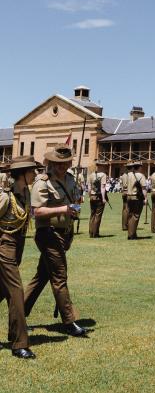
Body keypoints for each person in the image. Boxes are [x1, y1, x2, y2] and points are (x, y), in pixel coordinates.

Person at [23, 144, 86, 337]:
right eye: (57, 163)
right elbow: (36, 211)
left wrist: (76, 204)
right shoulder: (43, 182)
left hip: (64, 234)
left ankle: (18, 315)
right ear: (51, 162)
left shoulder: (70, 179)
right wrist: (64, 209)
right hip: (48, 234)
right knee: (59, 276)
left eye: (65, 163)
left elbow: (75, 200)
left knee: (42, 276)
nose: (61, 166)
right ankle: (69, 321)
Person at [0, 157, 38, 358]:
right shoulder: (7, 197)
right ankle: (19, 343)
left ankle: (14, 333)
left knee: (2, 292)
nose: (35, 174)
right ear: (22, 173)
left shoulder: (26, 193)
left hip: (18, 245)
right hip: (4, 246)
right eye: (32, 171)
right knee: (16, 292)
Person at [87, 160, 108, 238]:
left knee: (92, 215)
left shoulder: (91, 175)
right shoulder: (103, 175)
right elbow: (103, 188)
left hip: (92, 196)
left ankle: (91, 232)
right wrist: (103, 198)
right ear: (101, 166)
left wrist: (89, 196)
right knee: (98, 215)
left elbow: (88, 188)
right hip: (99, 197)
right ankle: (95, 233)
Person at [126, 161, 147, 240]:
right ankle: (131, 235)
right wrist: (145, 198)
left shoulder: (128, 175)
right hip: (136, 198)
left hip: (129, 197)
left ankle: (131, 233)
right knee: (135, 216)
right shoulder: (141, 176)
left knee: (130, 216)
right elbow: (144, 188)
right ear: (139, 167)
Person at [120, 166, 130, 231]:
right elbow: (126, 185)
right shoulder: (127, 175)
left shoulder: (123, 175)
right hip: (127, 192)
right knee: (127, 209)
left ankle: (124, 225)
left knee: (124, 209)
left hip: (124, 192)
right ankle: (126, 225)